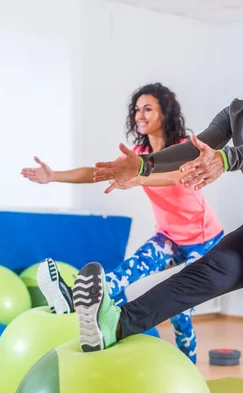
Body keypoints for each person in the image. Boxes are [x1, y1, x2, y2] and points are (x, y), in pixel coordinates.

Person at [73, 15, 243, 393]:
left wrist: (227, 159)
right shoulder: (237, 112)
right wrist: (143, 164)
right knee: (203, 274)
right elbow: (191, 148)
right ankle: (114, 325)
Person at [21, 83, 225, 364]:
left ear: (164, 113)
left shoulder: (182, 148)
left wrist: (139, 177)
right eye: (137, 109)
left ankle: (188, 370)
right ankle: (72, 299)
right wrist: (53, 175)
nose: (140, 115)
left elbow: (176, 176)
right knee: (116, 279)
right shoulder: (137, 152)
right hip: (169, 238)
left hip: (206, 240)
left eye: (148, 109)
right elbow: (97, 171)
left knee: (180, 311)